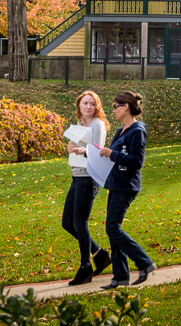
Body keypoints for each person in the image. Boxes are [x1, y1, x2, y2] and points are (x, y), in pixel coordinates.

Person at [98, 90, 157, 288]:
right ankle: (120, 277)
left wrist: (112, 154)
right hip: (115, 184)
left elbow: (137, 162)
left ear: (125, 107)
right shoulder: (121, 130)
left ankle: (144, 262)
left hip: (126, 186)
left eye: (116, 106)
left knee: (112, 228)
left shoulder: (137, 131)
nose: (113, 110)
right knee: (113, 229)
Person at [63, 90, 112, 286]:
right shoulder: (78, 125)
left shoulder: (97, 124)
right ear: (79, 106)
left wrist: (84, 150)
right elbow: (73, 149)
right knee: (67, 223)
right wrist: (70, 148)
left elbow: (98, 150)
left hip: (88, 178)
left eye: (92, 104)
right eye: (85, 103)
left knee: (80, 223)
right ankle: (100, 255)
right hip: (76, 176)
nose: (89, 107)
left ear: (97, 106)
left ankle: (85, 268)